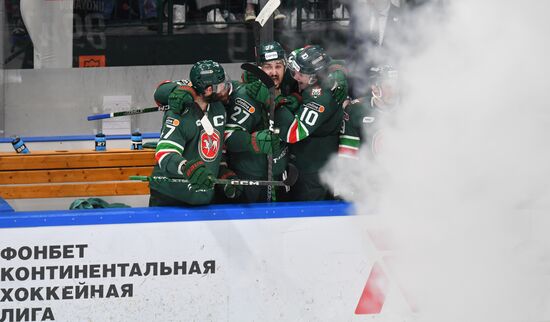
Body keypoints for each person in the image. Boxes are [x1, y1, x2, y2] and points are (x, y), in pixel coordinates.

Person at [149, 60, 239, 206]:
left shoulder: (219, 109)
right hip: (171, 197)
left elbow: (216, 150)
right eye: (221, 85)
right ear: (209, 89)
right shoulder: (180, 112)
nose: (226, 89)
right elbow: (165, 154)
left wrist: (223, 172)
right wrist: (186, 167)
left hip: (203, 199)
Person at [274, 45, 344, 201]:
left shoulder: (320, 97)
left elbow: (294, 133)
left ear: (314, 77)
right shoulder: (320, 81)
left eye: (301, 74)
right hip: (313, 164)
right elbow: (303, 53)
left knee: (309, 216)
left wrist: (277, 104)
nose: (296, 77)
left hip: (314, 169)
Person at [224, 41, 290, 202]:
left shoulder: (289, 87)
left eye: (278, 66)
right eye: (268, 66)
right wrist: (253, 141)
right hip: (251, 180)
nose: (274, 72)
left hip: (280, 176)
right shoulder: (247, 95)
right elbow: (229, 138)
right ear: (259, 68)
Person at [338, 65, 399, 159]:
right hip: (368, 170)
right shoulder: (356, 109)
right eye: (388, 86)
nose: (394, 91)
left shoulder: (408, 108)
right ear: (375, 88)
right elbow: (348, 152)